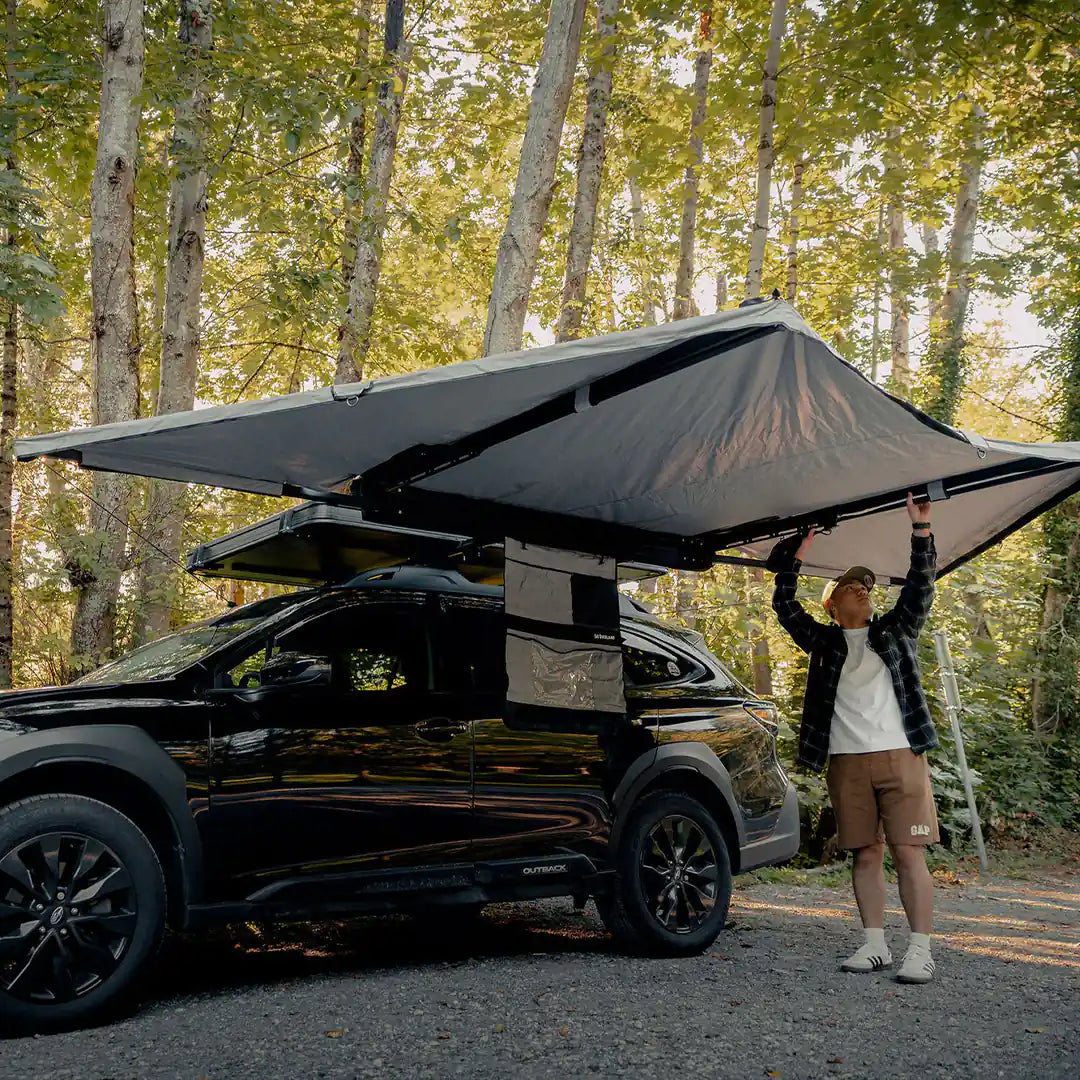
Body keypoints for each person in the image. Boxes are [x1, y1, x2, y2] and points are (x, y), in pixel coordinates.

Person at [769, 493, 940, 984]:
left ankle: (920, 951)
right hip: (845, 761)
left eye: (867, 586)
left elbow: (920, 586)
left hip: (901, 756)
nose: (864, 590)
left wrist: (921, 531)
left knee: (909, 853)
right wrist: (798, 552)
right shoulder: (822, 642)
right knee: (865, 852)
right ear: (833, 602)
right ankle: (874, 946)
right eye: (852, 586)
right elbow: (784, 604)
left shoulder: (896, 630)